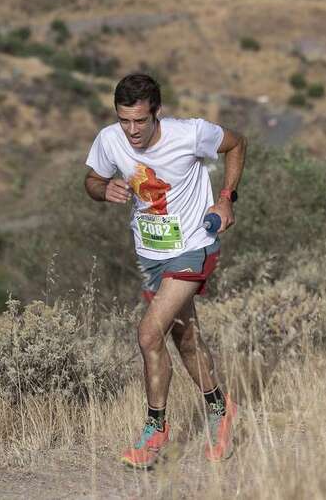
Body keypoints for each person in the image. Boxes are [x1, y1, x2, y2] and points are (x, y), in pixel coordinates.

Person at [83, 73, 247, 468]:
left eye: (140, 121)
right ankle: (221, 409)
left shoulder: (189, 134)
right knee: (185, 338)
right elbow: (91, 180)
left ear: (156, 112)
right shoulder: (109, 139)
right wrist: (103, 190)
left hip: (194, 246)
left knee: (148, 334)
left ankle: (155, 429)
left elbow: (237, 143)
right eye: (125, 120)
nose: (132, 131)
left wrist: (226, 199)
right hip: (151, 255)